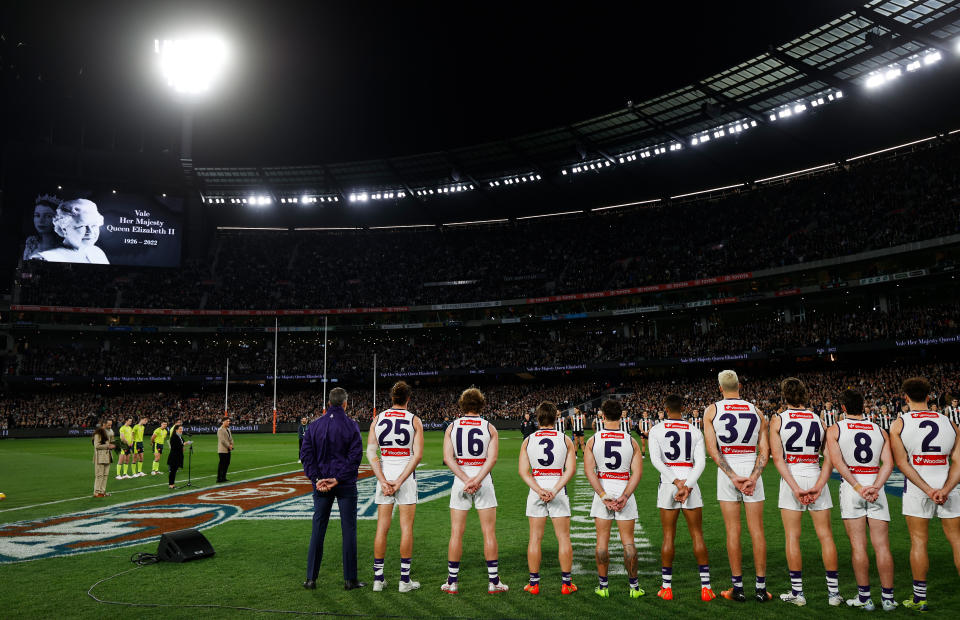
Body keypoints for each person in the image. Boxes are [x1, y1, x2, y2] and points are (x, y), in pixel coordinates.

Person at [889, 376, 960, 612]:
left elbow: (902, 463)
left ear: (905, 398)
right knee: (957, 541)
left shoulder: (899, 424)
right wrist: (946, 489)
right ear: (929, 397)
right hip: (948, 483)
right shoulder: (949, 423)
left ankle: (920, 599)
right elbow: (958, 461)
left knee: (919, 541)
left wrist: (928, 490)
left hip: (919, 488)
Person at [769, 377, 842, 607]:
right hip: (815, 474)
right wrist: (819, 484)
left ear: (784, 396)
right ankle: (833, 594)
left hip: (792, 477)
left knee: (793, 536)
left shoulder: (778, 419)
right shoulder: (818, 419)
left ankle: (798, 593)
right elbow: (830, 456)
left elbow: (778, 460)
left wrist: (796, 488)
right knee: (826, 535)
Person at [824, 389, 897, 611]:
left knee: (858, 546)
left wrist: (858, 487)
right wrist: (876, 486)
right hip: (876, 488)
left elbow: (837, 462)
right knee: (883, 546)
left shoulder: (835, 429)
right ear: (863, 406)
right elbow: (889, 464)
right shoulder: (880, 430)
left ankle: (865, 598)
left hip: (852, 489)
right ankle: (888, 599)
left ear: (843, 408)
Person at [703, 369, 771, 603]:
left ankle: (738, 588)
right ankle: (761, 589)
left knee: (733, 531)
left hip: (728, 472)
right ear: (739, 386)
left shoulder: (712, 410)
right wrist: (753, 476)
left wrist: (732, 476)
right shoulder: (756, 410)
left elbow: (712, 450)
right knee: (758, 531)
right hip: (752, 469)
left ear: (720, 388)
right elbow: (765, 450)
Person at [648, 394, 715, 602]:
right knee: (697, 535)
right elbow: (701, 463)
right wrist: (687, 484)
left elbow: (656, 461)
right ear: (683, 408)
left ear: (665, 409)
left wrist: (676, 482)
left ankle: (666, 588)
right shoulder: (694, 431)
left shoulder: (656, 430)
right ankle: (706, 588)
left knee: (668, 536)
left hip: (669, 484)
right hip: (691, 483)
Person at [442, 387, 506, 594]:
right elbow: (492, 459)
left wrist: (465, 480)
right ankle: (493, 582)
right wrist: (477, 479)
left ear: (462, 405)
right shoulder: (490, 428)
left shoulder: (452, 427)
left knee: (456, 533)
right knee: (488, 532)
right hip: (483, 480)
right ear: (481, 404)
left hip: (460, 480)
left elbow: (448, 458)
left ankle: (452, 582)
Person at [301, 387, 364, 590]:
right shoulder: (352, 426)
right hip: (344, 484)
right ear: (345, 404)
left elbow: (306, 456)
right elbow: (355, 458)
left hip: (321, 486)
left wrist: (318, 478)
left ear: (329, 403)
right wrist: (337, 478)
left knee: (318, 530)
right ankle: (350, 580)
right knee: (349, 531)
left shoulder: (314, 426)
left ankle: (311, 579)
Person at [584, 399, 645, 599]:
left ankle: (603, 587)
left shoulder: (593, 440)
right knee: (628, 541)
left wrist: (603, 495)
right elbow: (637, 473)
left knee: (602, 542)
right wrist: (625, 495)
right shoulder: (631, 441)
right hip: (623, 492)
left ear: (602, 416)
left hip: (603, 492)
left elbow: (589, 471)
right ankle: (634, 588)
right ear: (621, 416)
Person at [366, 381, 424, 593]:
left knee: (382, 527)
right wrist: (399, 481)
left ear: (392, 398)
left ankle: (378, 580)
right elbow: (417, 455)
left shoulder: (378, 419)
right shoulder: (414, 420)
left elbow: (371, 453)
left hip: (385, 475)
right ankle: (404, 581)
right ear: (408, 398)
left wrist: (383, 480)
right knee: (406, 528)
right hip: (405, 477)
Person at [518, 401, 578, 596]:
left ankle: (534, 584)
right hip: (558, 489)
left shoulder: (528, 440)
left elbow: (523, 472)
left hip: (536, 489)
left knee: (535, 538)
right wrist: (555, 489)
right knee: (563, 538)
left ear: (537, 418)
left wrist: (538, 490)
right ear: (555, 418)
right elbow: (571, 470)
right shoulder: (565, 439)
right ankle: (566, 584)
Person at [30, 198, 109, 264]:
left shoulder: (97, 252)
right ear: (64, 229)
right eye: (82, 226)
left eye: (94, 225)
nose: (90, 232)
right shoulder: (45, 258)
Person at [23, 195, 61, 261]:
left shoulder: (64, 247)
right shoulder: (31, 244)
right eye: (37, 215)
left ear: (58, 218)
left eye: (48, 216)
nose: (41, 221)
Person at [92, 423, 115, 497]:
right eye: (108, 425)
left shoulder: (107, 434)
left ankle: (102, 491)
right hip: (100, 457)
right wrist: (108, 446)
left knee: (105, 475)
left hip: (107, 456)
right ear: (103, 425)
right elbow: (97, 446)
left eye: (111, 425)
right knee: (99, 475)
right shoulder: (98, 434)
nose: (109, 427)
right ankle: (96, 492)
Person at [167, 423, 191, 489]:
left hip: (178, 456)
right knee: (172, 471)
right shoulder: (174, 437)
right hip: (174, 456)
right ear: (176, 430)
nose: (181, 430)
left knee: (174, 471)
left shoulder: (180, 437)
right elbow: (175, 446)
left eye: (182, 429)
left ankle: (172, 484)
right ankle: (171, 485)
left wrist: (183, 447)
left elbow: (180, 445)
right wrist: (184, 444)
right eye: (180, 429)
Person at [217, 418, 233, 483]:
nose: (229, 422)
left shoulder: (228, 429)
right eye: (227, 421)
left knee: (227, 463)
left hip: (228, 450)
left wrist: (231, 444)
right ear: (223, 422)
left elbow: (231, 438)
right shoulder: (220, 430)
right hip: (222, 450)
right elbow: (222, 440)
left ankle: (223, 477)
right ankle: (219, 478)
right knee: (222, 464)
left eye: (229, 421)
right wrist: (229, 446)